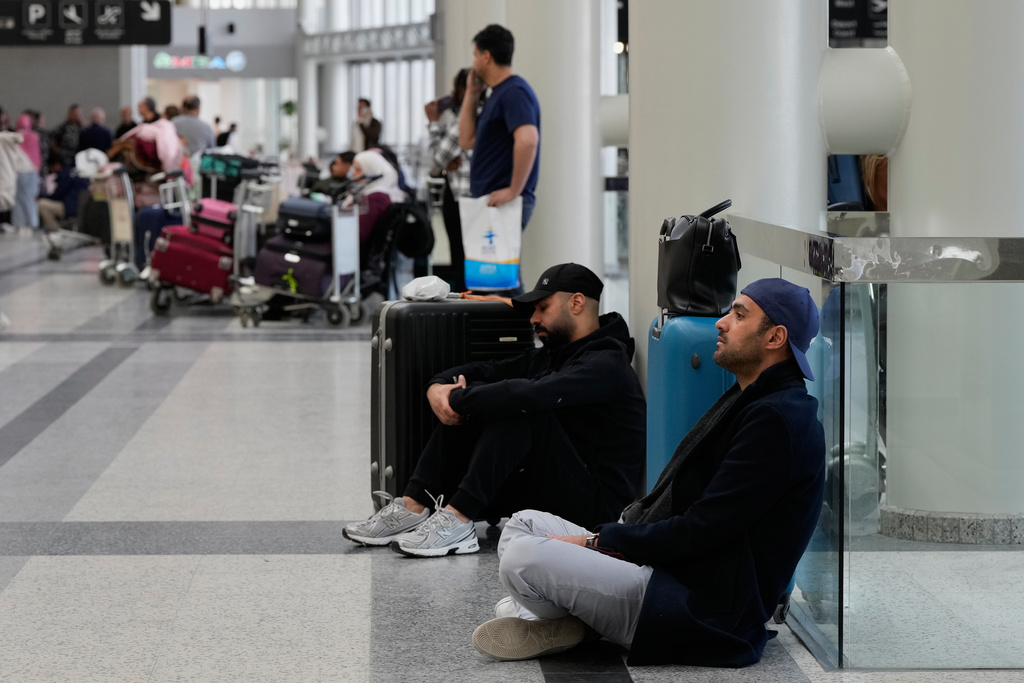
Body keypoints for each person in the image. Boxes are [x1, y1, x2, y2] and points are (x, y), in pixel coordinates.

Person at [472, 278, 826, 668]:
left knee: (523, 559)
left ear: (775, 337)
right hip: (666, 571)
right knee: (521, 526)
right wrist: (609, 541)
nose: (721, 323)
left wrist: (597, 543)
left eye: (739, 315)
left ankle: (571, 619)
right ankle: (573, 618)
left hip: (696, 605)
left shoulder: (779, 421)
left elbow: (701, 530)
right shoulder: (754, 400)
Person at [342, 263, 646, 558]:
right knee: (495, 397)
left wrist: (458, 399)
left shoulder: (606, 363)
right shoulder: (554, 356)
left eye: (542, 308)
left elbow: (532, 394)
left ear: (577, 303)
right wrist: (438, 388)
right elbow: (485, 370)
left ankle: (458, 521)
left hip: (595, 507)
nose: (532, 319)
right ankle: (413, 505)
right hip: (550, 487)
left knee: (520, 406)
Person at [459, 24, 540, 230]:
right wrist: (471, 93)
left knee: (502, 262)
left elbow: (528, 140)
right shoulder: (497, 94)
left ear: (486, 56)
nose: (474, 63)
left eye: (475, 55)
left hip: (504, 202)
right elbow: (466, 140)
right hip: (491, 200)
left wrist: (514, 190)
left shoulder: (514, 92)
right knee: (491, 263)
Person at [426, 68, 473, 291]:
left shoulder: (465, 118)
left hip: (458, 195)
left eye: (456, 87)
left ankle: (467, 304)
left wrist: (433, 122)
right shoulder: (485, 114)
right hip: (474, 195)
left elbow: (436, 159)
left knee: (459, 253)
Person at [37, 156, 89, 231]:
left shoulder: (65, 174)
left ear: (57, 165)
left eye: (51, 167)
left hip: (71, 208)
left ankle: (56, 230)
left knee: (41, 204)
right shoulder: (73, 171)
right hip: (83, 208)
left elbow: (57, 195)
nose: (51, 170)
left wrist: (40, 196)